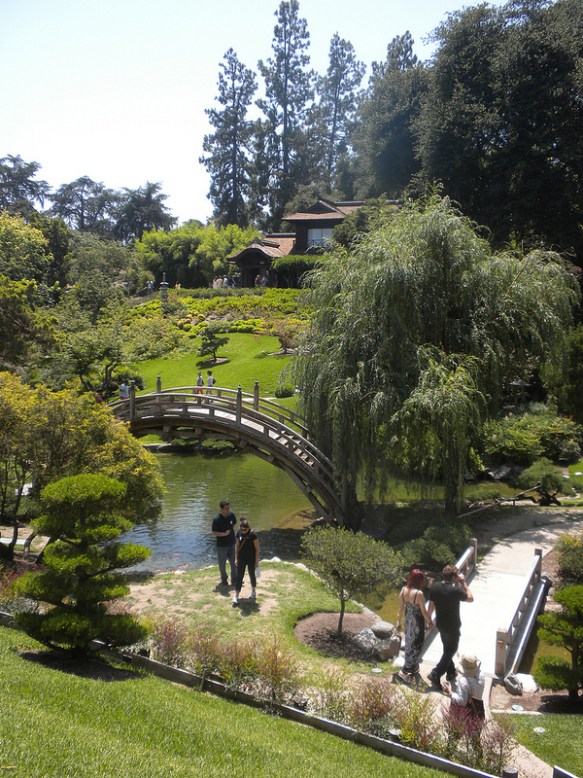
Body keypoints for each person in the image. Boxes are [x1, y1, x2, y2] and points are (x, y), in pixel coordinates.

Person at [427, 564, 474, 688]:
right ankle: (435, 673)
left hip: (441, 625)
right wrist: (464, 583)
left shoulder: (435, 587)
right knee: (451, 650)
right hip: (453, 626)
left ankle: (451, 672)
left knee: (447, 649)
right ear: (454, 576)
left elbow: (431, 606)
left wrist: (429, 619)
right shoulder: (455, 591)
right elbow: (470, 598)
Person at [396, 569, 433, 682]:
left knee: (409, 643)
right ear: (419, 580)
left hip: (408, 621)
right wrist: (430, 622)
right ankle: (406, 670)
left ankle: (414, 667)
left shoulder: (403, 590)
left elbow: (401, 608)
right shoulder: (419, 594)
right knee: (418, 644)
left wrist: (398, 622)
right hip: (417, 623)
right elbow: (424, 612)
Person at [232, 517, 260, 606]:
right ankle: (236, 595)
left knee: (252, 575)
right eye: (241, 529)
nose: (243, 531)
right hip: (241, 558)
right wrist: (236, 558)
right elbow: (236, 546)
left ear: (248, 528)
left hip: (251, 558)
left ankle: (253, 591)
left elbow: (257, 549)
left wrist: (256, 561)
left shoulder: (253, 535)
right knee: (239, 576)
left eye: (245, 529)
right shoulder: (238, 533)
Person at [211, 499, 237, 587]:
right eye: (226, 508)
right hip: (221, 546)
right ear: (221, 509)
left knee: (234, 563)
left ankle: (234, 580)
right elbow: (214, 532)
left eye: (229, 508)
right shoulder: (216, 519)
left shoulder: (231, 515)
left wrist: (230, 530)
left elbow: (233, 523)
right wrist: (223, 534)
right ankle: (224, 580)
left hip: (232, 543)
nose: (228, 510)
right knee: (222, 564)